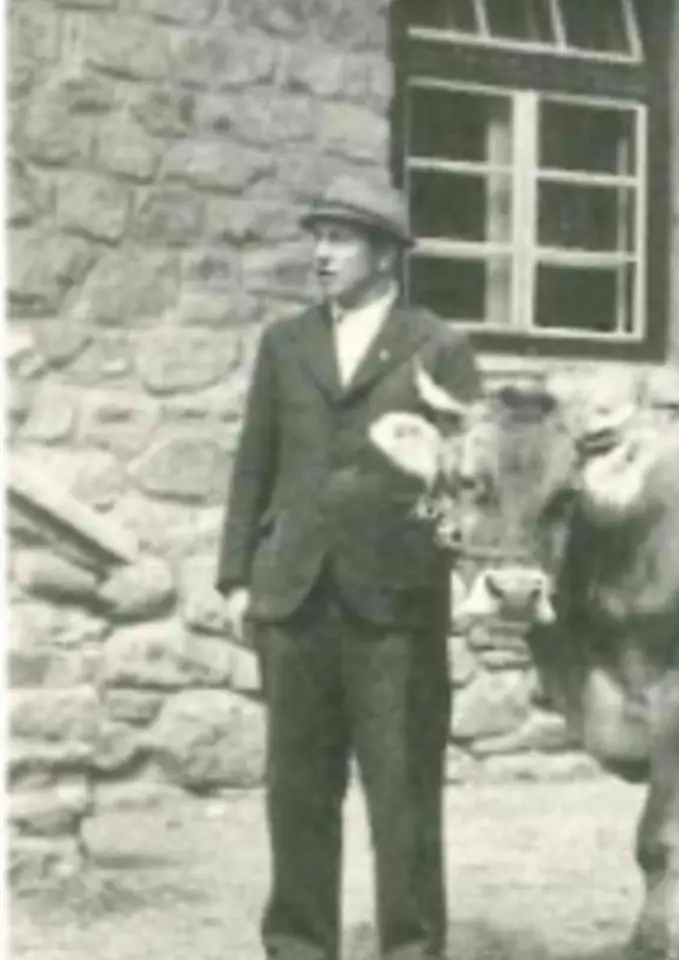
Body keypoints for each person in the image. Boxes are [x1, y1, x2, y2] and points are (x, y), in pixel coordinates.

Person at [216, 175, 482, 960]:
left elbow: (469, 478)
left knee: (403, 797)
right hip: (294, 600)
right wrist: (236, 577)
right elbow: (252, 464)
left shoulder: (438, 346)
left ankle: (411, 949)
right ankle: (298, 947)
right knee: (296, 793)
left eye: (341, 239)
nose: (321, 253)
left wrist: (463, 575)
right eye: (318, 237)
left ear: (386, 254)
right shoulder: (285, 342)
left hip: (396, 609)